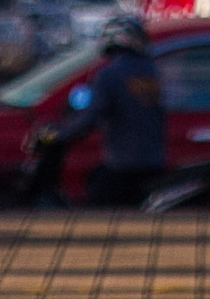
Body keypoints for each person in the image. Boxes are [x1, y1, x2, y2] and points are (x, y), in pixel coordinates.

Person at [39, 14, 165, 207]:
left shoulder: (110, 74)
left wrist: (59, 134)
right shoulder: (150, 71)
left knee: (97, 208)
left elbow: (91, 117)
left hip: (124, 163)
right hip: (154, 160)